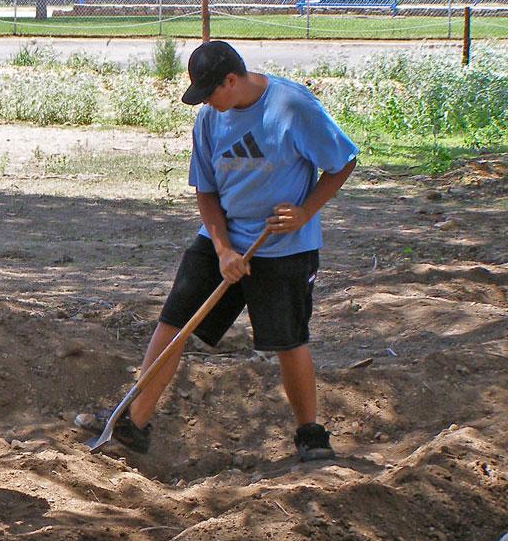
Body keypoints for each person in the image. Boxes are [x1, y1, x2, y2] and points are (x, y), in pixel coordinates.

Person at [78, 40, 357, 462]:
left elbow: (343, 161)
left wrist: (304, 212)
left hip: (283, 247)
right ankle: (135, 421)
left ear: (232, 80)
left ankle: (310, 433)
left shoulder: (292, 107)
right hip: (219, 239)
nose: (206, 102)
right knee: (173, 323)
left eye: (210, 92)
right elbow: (206, 192)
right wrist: (224, 250)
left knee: (288, 340)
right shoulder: (210, 119)